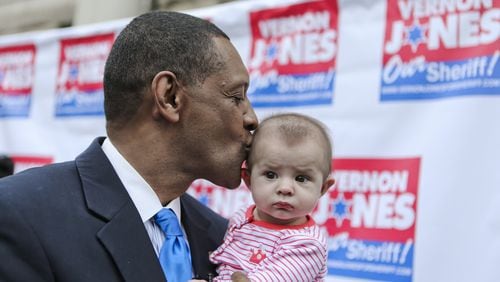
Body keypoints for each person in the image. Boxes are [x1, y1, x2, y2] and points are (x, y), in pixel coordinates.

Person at [0, 11, 258, 282]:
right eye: (236, 96)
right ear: (169, 97)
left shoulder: (224, 240)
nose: (252, 118)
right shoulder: (21, 214)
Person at [210, 113, 335, 281]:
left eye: (301, 178)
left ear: (322, 188)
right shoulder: (242, 217)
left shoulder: (307, 245)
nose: (285, 188)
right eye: (270, 175)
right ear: (248, 179)